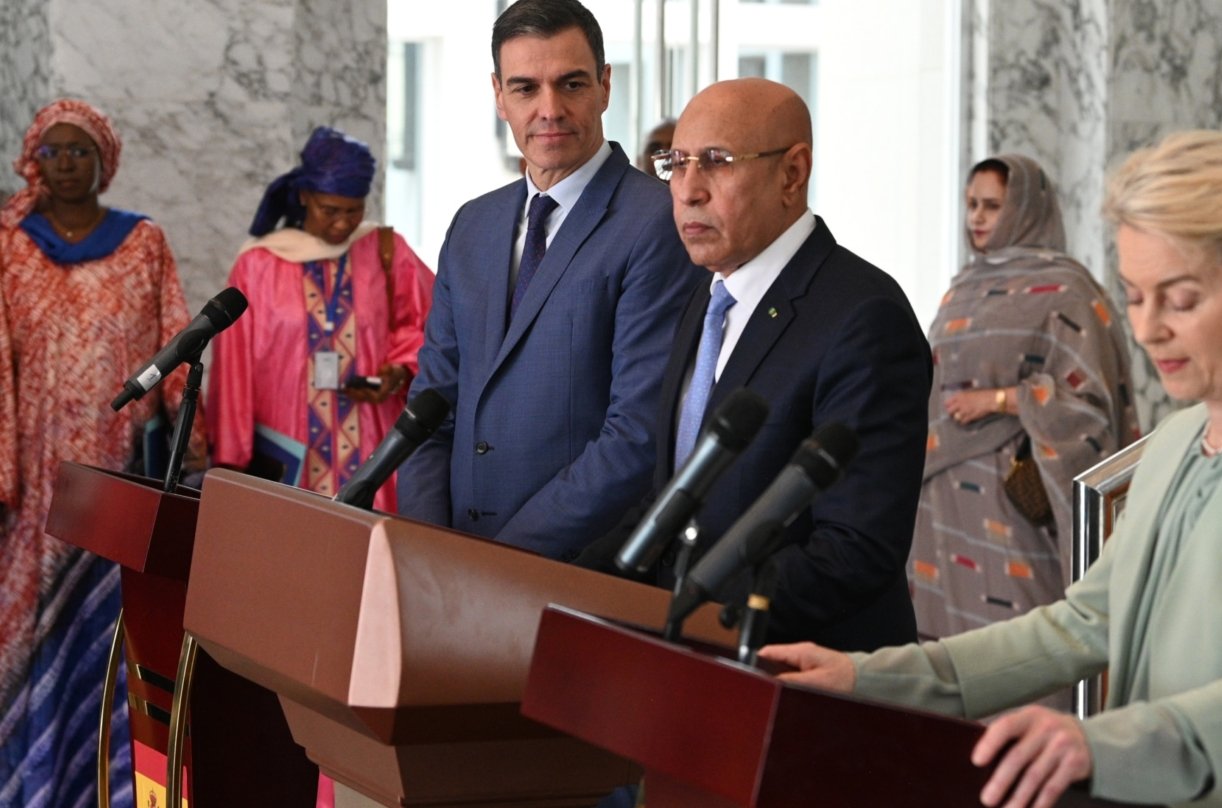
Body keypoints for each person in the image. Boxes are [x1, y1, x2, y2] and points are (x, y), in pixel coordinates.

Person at [761, 130, 1222, 808]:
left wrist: (1097, 745)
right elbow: (1079, 625)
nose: (1149, 328)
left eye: (1180, 299)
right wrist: (867, 681)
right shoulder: (1178, 441)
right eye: (1135, 295)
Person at [583, 77, 932, 652]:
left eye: (716, 162)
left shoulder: (864, 317)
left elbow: (853, 549)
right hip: (695, 664)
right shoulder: (708, 294)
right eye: (676, 163)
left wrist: (688, 613)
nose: (687, 190)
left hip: (804, 684)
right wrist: (569, 584)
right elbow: (673, 494)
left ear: (792, 174)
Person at [399, 0, 699, 558]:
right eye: (525, 88)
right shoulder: (473, 224)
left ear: (605, 86)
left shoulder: (657, 222)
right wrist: (427, 545)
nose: (550, 109)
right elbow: (430, 408)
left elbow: (635, 435)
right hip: (450, 563)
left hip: (576, 571)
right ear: (498, 95)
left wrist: (501, 562)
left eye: (572, 84)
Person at [0, 98, 207, 807]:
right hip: (37, 484)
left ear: (104, 161)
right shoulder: (12, 245)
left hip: (120, 477)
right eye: (52, 152)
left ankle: (113, 786)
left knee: (116, 627)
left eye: (79, 150)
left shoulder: (142, 243)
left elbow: (174, 338)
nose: (65, 165)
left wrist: (192, 444)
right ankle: (36, 783)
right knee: (32, 627)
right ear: (35, 159)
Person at [910, 154, 1139, 640]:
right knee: (947, 652)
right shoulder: (962, 288)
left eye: (992, 206)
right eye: (971, 204)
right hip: (941, 500)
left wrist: (999, 400)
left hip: (1015, 498)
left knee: (1022, 638)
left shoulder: (1067, 289)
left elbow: (1088, 405)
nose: (976, 217)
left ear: (1026, 210)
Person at [208, 126, 433, 513]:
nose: (343, 224)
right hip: (286, 451)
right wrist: (232, 461)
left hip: (372, 452)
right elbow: (234, 369)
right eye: (330, 210)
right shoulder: (258, 266)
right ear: (304, 197)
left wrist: (398, 369)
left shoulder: (386, 251)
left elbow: (431, 326)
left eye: (354, 210)